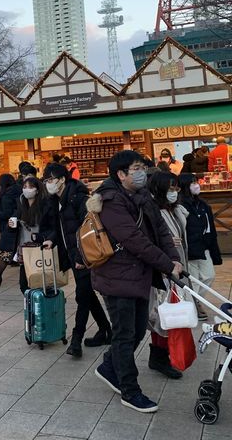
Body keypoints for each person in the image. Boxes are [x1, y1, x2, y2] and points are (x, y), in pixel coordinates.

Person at [91, 150, 181, 413]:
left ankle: (109, 366)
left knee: (139, 330)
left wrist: (174, 259)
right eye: (136, 168)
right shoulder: (109, 201)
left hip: (139, 275)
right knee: (124, 334)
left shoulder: (143, 197)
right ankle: (130, 391)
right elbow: (135, 241)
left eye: (143, 167)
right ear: (121, 174)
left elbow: (160, 230)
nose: (142, 172)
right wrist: (165, 265)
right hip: (116, 277)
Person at [40, 162, 111, 357]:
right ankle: (106, 330)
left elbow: (86, 229)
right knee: (87, 294)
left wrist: (81, 256)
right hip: (72, 254)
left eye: (51, 180)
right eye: (46, 180)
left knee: (82, 295)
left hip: (85, 256)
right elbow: (60, 227)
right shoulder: (56, 200)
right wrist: (51, 240)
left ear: (62, 179)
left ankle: (76, 339)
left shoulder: (77, 198)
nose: (49, 184)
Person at [147, 171, 189, 379]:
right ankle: (159, 357)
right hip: (163, 270)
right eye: (170, 189)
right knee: (161, 315)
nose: (174, 192)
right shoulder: (153, 210)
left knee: (169, 314)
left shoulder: (175, 209)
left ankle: (160, 355)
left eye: (176, 188)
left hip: (177, 267)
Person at [178, 173, 222, 318]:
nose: (196, 185)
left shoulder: (203, 205)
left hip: (204, 247)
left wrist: (213, 248)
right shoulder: (179, 206)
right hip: (189, 249)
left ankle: (195, 301)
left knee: (209, 276)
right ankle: (194, 306)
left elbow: (211, 229)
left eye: (196, 182)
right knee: (193, 280)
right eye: (192, 183)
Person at [16, 176, 48, 294]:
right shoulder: (21, 205)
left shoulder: (43, 206)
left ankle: (39, 308)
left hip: (39, 249)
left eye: (31, 187)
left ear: (37, 190)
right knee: (24, 285)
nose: (27, 189)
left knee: (40, 283)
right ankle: (32, 308)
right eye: (25, 187)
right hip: (25, 249)